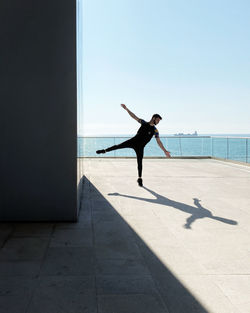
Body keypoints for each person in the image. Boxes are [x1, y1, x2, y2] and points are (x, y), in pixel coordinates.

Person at [96, 104, 171, 186]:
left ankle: (139, 178)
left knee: (140, 162)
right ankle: (104, 151)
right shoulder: (144, 123)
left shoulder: (155, 130)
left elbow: (159, 141)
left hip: (140, 147)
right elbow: (134, 116)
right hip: (133, 141)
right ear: (153, 118)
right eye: (158, 120)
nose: (158, 122)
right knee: (118, 146)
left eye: (159, 121)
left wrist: (164, 151)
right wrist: (126, 109)